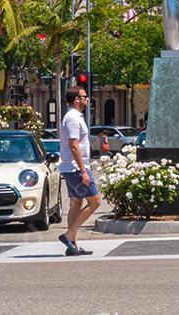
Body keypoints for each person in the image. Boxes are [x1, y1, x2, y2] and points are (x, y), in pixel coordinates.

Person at [58, 87, 100, 256]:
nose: (87, 99)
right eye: (84, 96)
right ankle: (68, 236)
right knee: (95, 202)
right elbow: (74, 146)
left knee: (76, 203)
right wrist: (83, 171)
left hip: (70, 167)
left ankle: (72, 245)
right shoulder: (73, 118)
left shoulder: (72, 116)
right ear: (76, 99)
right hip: (76, 168)